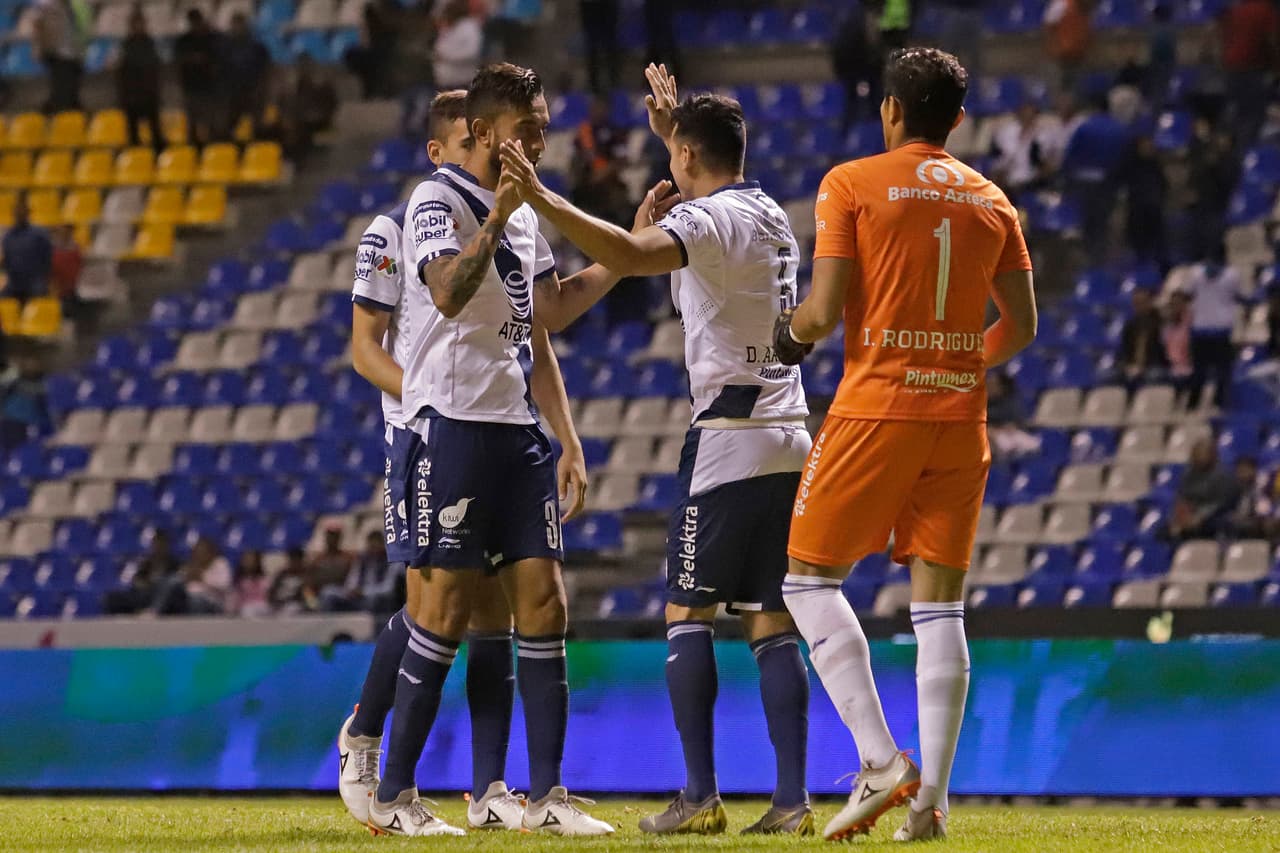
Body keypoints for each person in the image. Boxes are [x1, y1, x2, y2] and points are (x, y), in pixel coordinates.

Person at [500, 66, 816, 836]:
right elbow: (702, 184)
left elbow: (630, 250)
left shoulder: (706, 220)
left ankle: (701, 795)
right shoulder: (771, 213)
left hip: (727, 438)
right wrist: (675, 131)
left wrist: (542, 198)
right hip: (789, 431)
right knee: (771, 617)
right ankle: (791, 801)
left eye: (677, 152)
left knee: (686, 611)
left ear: (691, 159)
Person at [771, 48, 1035, 841]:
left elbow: (823, 311)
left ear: (890, 109)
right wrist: (955, 365)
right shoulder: (993, 200)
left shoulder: (850, 182)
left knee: (807, 580)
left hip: (875, 409)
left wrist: (789, 334)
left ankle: (882, 759)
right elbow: (1022, 325)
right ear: (957, 119)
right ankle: (931, 809)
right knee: (940, 605)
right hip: (959, 418)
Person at [365, 63, 611, 837]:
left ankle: (548, 796)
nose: (539, 142)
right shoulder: (435, 200)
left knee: (545, 601)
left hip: (516, 429)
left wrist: (624, 252)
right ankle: (394, 795)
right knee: (442, 611)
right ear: (482, 133)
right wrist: (500, 215)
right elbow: (446, 291)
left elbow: (550, 312)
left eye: (543, 128)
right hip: (451, 424)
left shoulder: (528, 211)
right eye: (527, 129)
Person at [339, 88, 531, 833]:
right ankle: (364, 734)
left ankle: (489, 788)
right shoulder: (392, 230)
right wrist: (426, 403)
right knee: (429, 605)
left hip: (482, 426)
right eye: (468, 144)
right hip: (421, 432)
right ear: (440, 149)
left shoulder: (497, 225)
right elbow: (365, 349)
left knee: (485, 606)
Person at [1184, 248, 1240, 409]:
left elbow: (1188, 294)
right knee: (1220, 371)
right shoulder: (1232, 275)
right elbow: (1238, 296)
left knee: (1201, 372)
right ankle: (1216, 404)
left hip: (1202, 330)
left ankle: (1194, 405)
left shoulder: (1196, 273)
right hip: (1219, 330)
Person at [1170, 438, 1240, 539]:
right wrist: (1180, 516)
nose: (1198, 457)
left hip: (1216, 518)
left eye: (1202, 453)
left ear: (1213, 455)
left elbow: (1220, 504)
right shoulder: (1188, 475)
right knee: (1164, 529)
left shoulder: (1224, 477)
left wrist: (1199, 516)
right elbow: (1183, 498)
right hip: (1191, 516)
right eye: (1196, 453)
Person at [115, 8, 163, 152]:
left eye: (141, 23)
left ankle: (156, 158)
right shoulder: (126, 45)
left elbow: (154, 70)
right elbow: (121, 73)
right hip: (132, 96)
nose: (139, 26)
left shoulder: (150, 43)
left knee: (155, 132)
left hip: (149, 95)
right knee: (133, 135)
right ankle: (136, 157)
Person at [173, 9, 221, 147]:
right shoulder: (183, 41)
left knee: (211, 123)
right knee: (192, 125)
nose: (196, 24)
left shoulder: (210, 40)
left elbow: (217, 60)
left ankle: (211, 151)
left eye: (197, 21)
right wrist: (192, 60)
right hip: (190, 87)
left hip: (208, 88)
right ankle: (194, 151)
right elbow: (178, 62)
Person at [220, 13, 271, 141]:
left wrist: (261, 87)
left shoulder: (256, 47)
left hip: (253, 89)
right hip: (232, 92)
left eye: (240, 25)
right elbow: (220, 69)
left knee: (257, 125)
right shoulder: (225, 47)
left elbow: (265, 69)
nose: (238, 28)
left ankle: (257, 145)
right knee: (229, 124)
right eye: (235, 24)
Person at [151, 536, 233, 614]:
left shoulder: (220, 563)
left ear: (210, 552)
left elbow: (224, 585)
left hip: (212, 602)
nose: (199, 554)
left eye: (202, 551)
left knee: (195, 600)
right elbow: (179, 581)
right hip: (187, 598)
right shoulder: (193, 564)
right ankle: (155, 610)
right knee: (172, 581)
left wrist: (202, 578)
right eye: (197, 552)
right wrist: (186, 577)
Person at [104, 530, 179, 614]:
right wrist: (143, 583)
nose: (158, 547)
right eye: (156, 543)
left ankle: (153, 611)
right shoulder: (147, 563)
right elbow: (137, 580)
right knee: (111, 598)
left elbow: (175, 582)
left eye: (161, 544)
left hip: (163, 596)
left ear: (166, 545)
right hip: (146, 593)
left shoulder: (174, 563)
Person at [1123, 135, 1168, 271]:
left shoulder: (1156, 166)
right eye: (1144, 144)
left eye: (1150, 144)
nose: (1148, 147)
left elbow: (1163, 185)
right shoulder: (1130, 165)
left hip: (1154, 211)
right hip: (1136, 212)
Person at [33, 0, 84, 113]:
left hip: (70, 54)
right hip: (58, 54)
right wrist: (38, 48)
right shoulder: (46, 6)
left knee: (69, 90)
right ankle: (60, 111)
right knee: (62, 90)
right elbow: (38, 27)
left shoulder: (71, 7)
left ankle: (69, 110)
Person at [1, 197, 53, 304]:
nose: (20, 214)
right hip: (14, 281)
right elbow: (6, 259)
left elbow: (47, 257)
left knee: (39, 299)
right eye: (17, 212)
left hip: (35, 281)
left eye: (23, 211)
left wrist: (45, 277)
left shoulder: (39, 234)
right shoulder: (8, 236)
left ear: (28, 213)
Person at [1120, 287, 1169, 385]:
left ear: (1150, 302)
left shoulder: (1159, 323)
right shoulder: (1130, 325)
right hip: (1133, 366)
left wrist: (1143, 368)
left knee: (1154, 375)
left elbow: (1161, 352)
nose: (1139, 306)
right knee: (1108, 376)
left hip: (1154, 366)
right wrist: (1127, 366)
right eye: (1136, 303)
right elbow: (1125, 351)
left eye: (1142, 302)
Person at [986, 372, 1039, 458]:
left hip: (1007, 432)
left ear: (1001, 388)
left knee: (1027, 441)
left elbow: (1018, 421)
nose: (988, 386)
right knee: (1002, 440)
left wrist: (1012, 426)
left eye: (992, 384)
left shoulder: (1010, 402)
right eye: (988, 383)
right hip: (987, 434)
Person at [433, 0, 483, 91]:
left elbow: (471, 52)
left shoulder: (470, 27)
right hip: (444, 82)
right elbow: (439, 48)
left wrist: (447, 57)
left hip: (462, 81)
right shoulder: (447, 28)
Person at [579, 0, 619, 94]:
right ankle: (594, 85)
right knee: (592, 47)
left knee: (610, 46)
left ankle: (613, 83)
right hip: (590, 6)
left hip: (606, 6)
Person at [1226, 456, 1266, 538]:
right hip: (1238, 520)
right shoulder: (1233, 487)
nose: (1243, 474)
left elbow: (1263, 509)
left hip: (1257, 520)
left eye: (1246, 471)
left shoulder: (1262, 487)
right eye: (1240, 471)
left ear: (1254, 470)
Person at [268, 547, 312, 612]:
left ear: (301, 561)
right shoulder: (282, 575)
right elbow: (272, 591)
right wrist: (273, 601)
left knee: (291, 608)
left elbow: (309, 596)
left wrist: (311, 605)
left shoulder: (305, 576)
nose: (294, 563)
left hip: (294, 604)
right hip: (277, 604)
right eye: (292, 560)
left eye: (296, 560)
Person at [232, 549, 271, 617]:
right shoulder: (239, 579)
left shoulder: (264, 578)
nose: (249, 562)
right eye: (246, 560)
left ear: (257, 562)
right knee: (247, 610)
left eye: (251, 560)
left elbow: (268, 595)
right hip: (245, 607)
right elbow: (236, 597)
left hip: (262, 606)